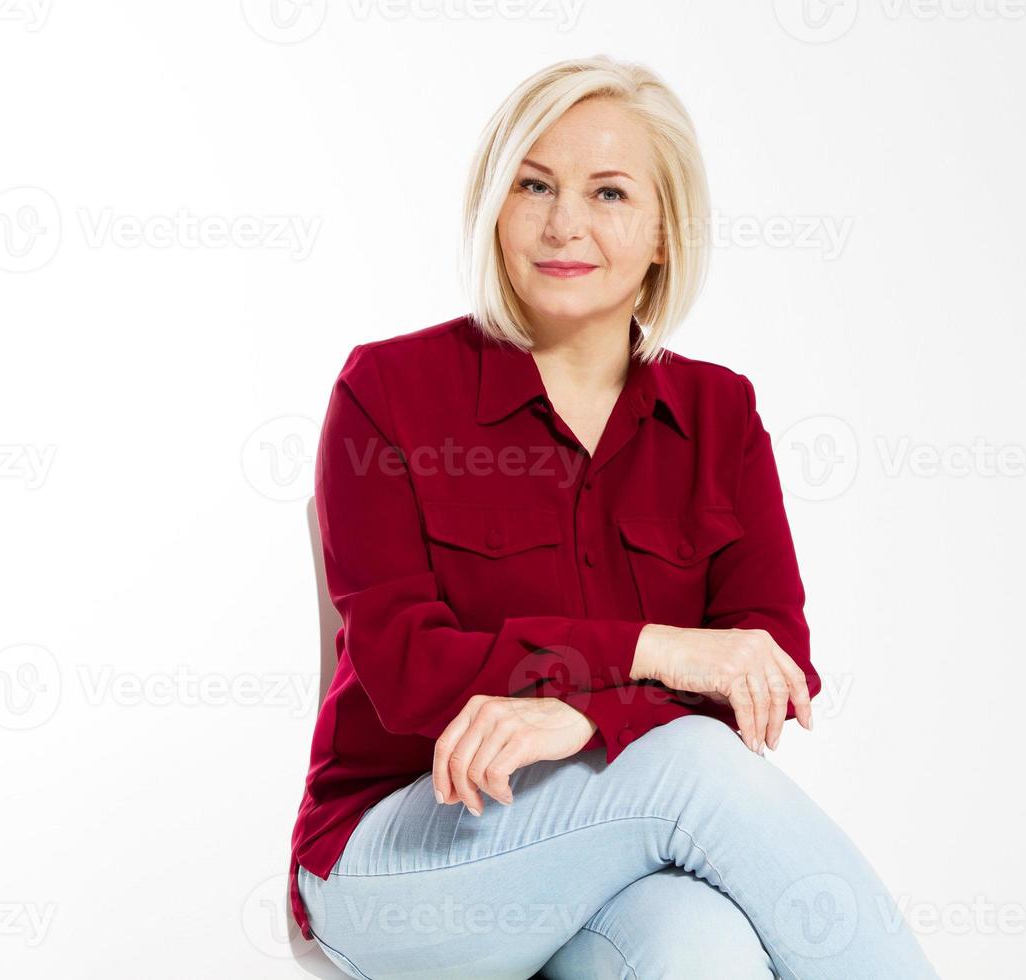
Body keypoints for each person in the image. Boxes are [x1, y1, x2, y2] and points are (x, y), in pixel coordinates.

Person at [287, 54, 941, 980]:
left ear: (665, 231)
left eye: (609, 194)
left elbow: (768, 667)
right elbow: (406, 669)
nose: (565, 225)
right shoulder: (386, 391)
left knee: (702, 951)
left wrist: (585, 724)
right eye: (535, 185)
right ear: (494, 202)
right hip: (401, 859)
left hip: (611, 857)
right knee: (695, 769)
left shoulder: (720, 414)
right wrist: (650, 655)